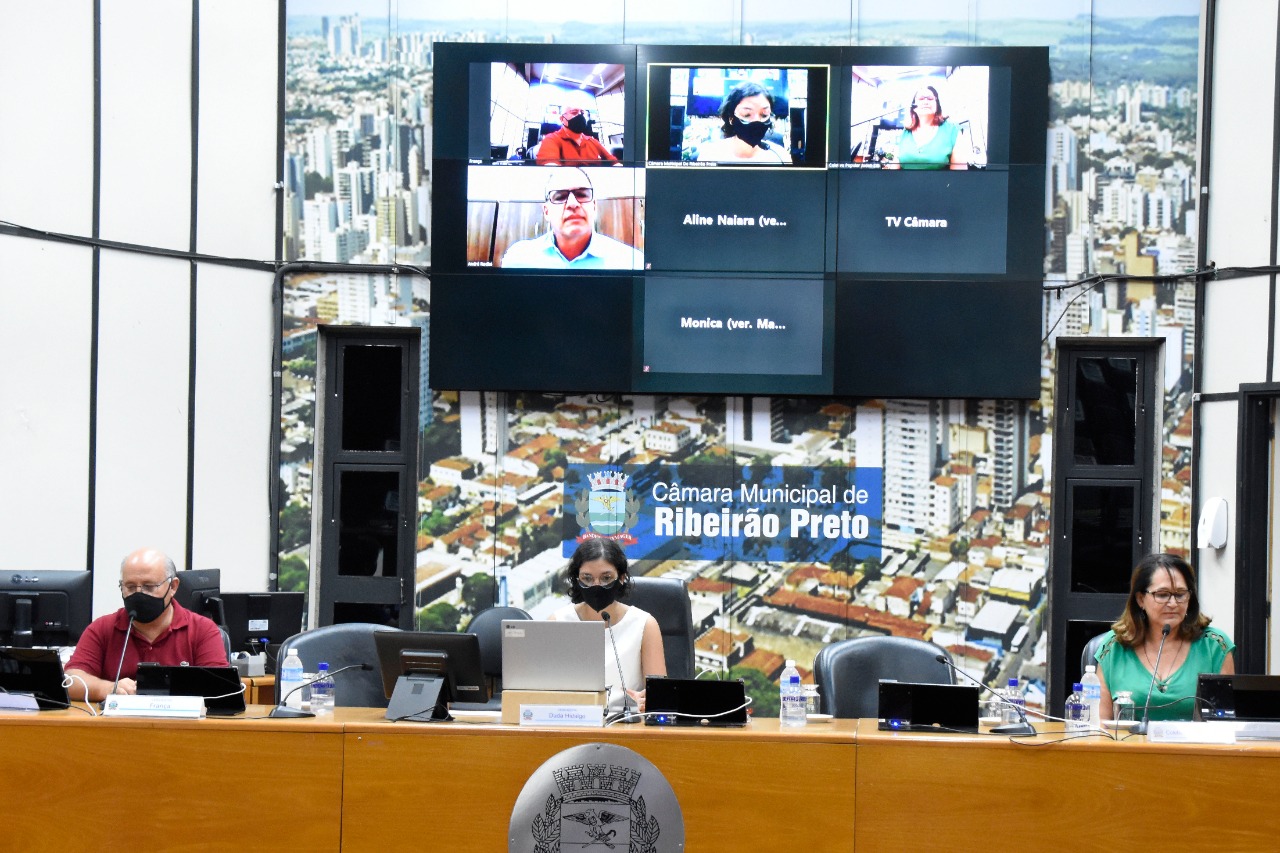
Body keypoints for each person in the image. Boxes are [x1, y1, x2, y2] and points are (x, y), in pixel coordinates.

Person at [64, 547, 229, 703]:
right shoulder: (102, 628)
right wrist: (109, 688)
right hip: (117, 728)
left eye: (149, 587)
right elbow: (71, 680)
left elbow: (220, 688)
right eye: (130, 587)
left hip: (180, 729)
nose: (139, 594)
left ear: (173, 586)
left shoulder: (202, 629)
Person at [1094, 553, 1235, 722]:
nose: (1173, 603)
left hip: (1194, 748)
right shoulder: (1114, 646)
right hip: (1130, 747)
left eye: (1180, 594)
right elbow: (1100, 726)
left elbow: (1224, 725)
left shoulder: (1214, 646)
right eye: (1162, 595)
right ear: (1140, 599)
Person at [548, 538, 666, 716]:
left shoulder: (644, 624)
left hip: (626, 725)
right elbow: (544, 692)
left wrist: (646, 701)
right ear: (576, 579)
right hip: (571, 721)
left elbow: (659, 698)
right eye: (587, 578)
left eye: (606, 578)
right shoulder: (557, 621)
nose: (596, 586)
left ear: (622, 577)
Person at [500, 166, 643, 269]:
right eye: (560, 197)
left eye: (582, 194)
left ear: (594, 206)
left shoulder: (632, 262)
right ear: (546, 211)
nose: (573, 204)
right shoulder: (517, 259)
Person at [694, 81, 792, 165]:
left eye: (764, 114)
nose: (757, 121)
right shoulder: (710, 155)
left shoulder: (780, 157)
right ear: (731, 118)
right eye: (747, 114)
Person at [887, 84, 971, 170]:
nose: (926, 102)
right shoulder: (905, 133)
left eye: (930, 98)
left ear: (937, 105)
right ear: (913, 107)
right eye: (921, 98)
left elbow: (959, 176)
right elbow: (894, 170)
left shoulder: (953, 130)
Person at [536, 107, 617, 165]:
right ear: (562, 119)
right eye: (574, 113)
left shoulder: (592, 141)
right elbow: (549, 166)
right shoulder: (552, 139)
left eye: (582, 113)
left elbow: (613, 162)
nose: (580, 116)